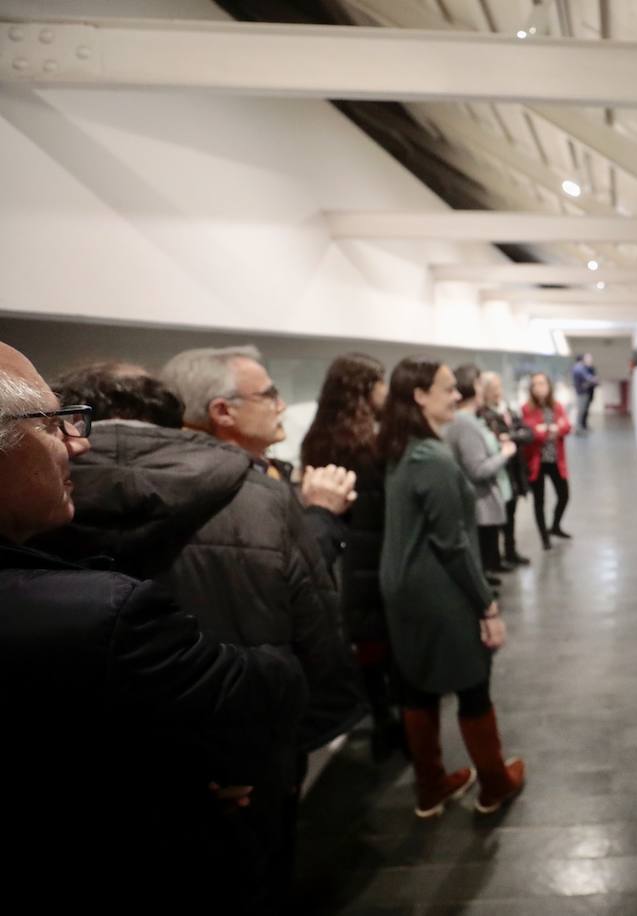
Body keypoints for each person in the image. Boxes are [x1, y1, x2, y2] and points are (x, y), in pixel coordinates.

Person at [43, 361, 365, 915]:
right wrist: (283, 748)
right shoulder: (257, 497)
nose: (282, 404)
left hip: (88, 787)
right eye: (270, 393)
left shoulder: (37, 509)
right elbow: (317, 642)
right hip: (248, 763)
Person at [377, 358, 526, 818]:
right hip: (437, 590)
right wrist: (488, 606)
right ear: (419, 396)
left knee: (417, 688)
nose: (457, 397)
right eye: (446, 389)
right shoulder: (432, 458)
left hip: (401, 585)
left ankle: (431, 787)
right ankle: (495, 783)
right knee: (473, 684)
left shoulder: (399, 448)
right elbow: (454, 544)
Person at [161, 345, 358, 565]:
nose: (281, 406)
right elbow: (286, 574)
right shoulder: (217, 488)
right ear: (223, 412)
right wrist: (322, 511)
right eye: (269, 395)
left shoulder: (241, 473)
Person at [299, 353, 406, 762]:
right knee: (388, 643)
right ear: (365, 389)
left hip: (339, 554)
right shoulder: (374, 444)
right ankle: (397, 725)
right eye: (379, 383)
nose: (384, 391)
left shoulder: (318, 439)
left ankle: (379, 718)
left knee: (364, 645)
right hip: (376, 553)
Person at [443, 364, 517, 576]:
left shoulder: (471, 420)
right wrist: (504, 454)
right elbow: (477, 469)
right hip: (478, 499)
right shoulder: (465, 423)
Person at [477, 370, 533, 566]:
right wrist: (511, 436)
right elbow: (496, 440)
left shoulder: (507, 410)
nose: (498, 392)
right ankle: (493, 560)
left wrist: (510, 437)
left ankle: (509, 552)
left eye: (499, 387)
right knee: (495, 520)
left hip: (513, 473)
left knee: (511, 516)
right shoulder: (483, 415)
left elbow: (527, 434)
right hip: (498, 473)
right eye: (494, 388)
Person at [522, 371, 573, 549]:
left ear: (549, 385)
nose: (540, 387)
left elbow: (567, 426)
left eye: (542, 383)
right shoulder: (527, 408)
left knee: (564, 495)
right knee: (539, 501)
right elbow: (531, 433)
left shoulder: (557, 406)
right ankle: (544, 537)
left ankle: (555, 526)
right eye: (536, 384)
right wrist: (549, 430)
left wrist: (549, 429)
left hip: (555, 459)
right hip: (537, 462)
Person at [571, 352, 599, 432]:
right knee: (581, 411)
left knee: (582, 411)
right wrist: (594, 379)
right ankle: (578, 429)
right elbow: (588, 378)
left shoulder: (579, 367)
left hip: (582, 392)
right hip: (582, 392)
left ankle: (580, 428)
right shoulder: (579, 368)